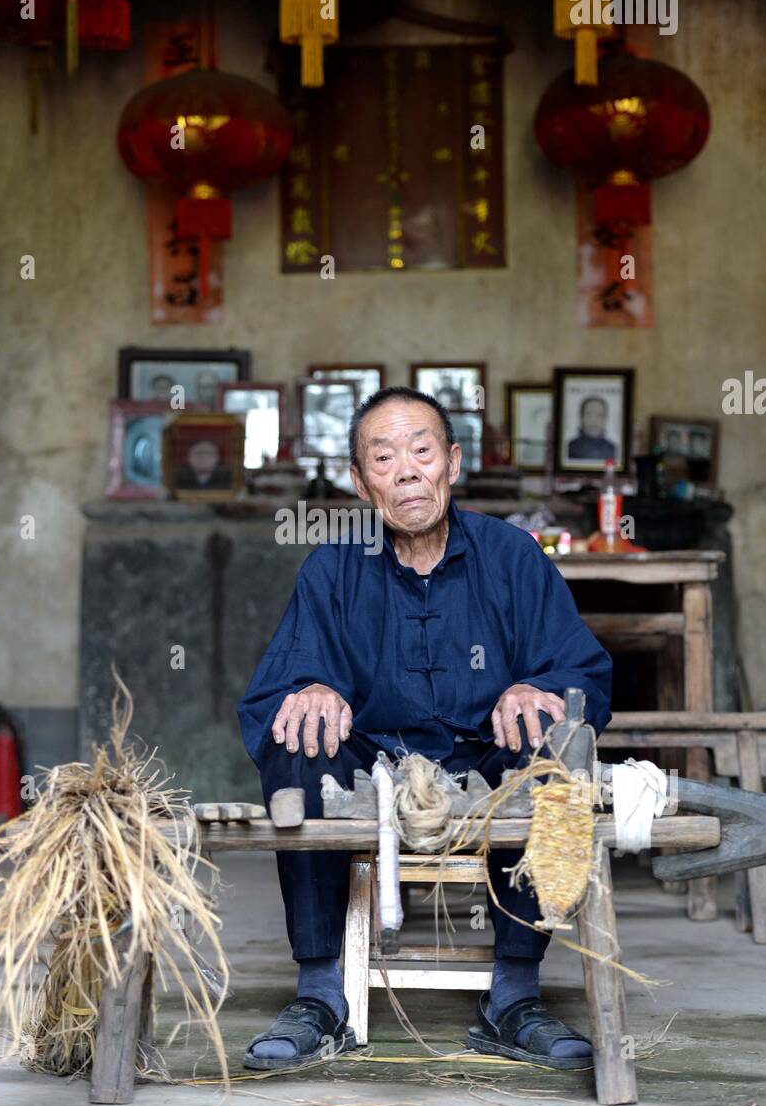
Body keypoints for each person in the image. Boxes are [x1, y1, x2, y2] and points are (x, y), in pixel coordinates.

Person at [238, 386, 612, 1071]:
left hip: (485, 759)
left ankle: (513, 996)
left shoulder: (512, 557)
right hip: (372, 767)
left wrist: (537, 689)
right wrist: (311, 688)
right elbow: (274, 690)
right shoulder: (332, 567)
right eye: (383, 457)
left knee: (550, 742)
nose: (406, 470)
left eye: (421, 450)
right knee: (296, 736)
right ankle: (320, 994)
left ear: (453, 462)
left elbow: (581, 671)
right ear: (359, 481)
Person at [567, 395, 617, 461]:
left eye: (599, 415)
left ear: (605, 419)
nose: (593, 420)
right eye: (589, 414)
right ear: (581, 417)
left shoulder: (613, 449)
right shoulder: (569, 446)